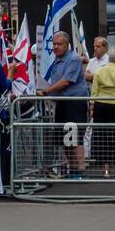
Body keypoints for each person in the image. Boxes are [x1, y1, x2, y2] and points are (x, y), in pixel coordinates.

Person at [42, 30, 88, 177]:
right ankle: (72, 169)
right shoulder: (58, 58)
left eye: (59, 44)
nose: (55, 47)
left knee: (75, 138)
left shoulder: (73, 59)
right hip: (62, 103)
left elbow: (65, 81)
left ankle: (80, 171)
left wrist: (46, 92)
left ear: (67, 45)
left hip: (74, 103)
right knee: (65, 139)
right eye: (54, 44)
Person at [89, 46, 115, 177]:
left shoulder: (99, 72)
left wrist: (91, 107)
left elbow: (94, 92)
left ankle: (106, 170)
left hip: (100, 106)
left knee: (102, 136)